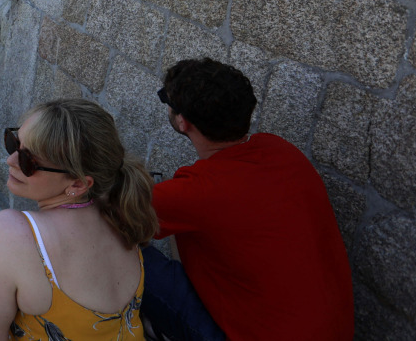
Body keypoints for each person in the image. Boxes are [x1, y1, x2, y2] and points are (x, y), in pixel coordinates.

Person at [0, 98, 156, 341]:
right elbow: (24, 265)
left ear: (78, 183)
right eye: (14, 143)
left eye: (28, 161)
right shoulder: (118, 208)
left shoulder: (12, 230)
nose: (10, 160)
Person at [144, 58, 353, 341]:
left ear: (183, 121)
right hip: (336, 332)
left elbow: (114, 214)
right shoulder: (280, 150)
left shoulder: (195, 192)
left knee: (142, 263)